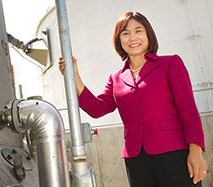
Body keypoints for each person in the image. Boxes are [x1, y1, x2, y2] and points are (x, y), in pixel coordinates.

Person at [59, 11, 207, 187]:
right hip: (136, 159)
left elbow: (188, 110)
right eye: (125, 33)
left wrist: (196, 151)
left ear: (148, 35)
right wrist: (74, 76)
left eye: (138, 31)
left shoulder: (170, 64)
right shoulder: (116, 78)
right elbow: (97, 109)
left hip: (174, 153)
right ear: (119, 40)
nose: (132, 37)